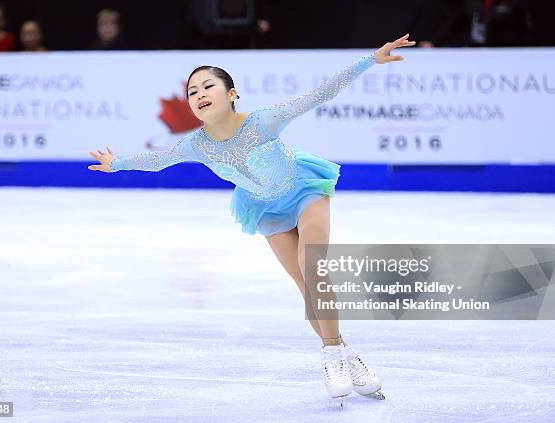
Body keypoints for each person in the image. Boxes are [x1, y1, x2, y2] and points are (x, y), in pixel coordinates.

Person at [89, 33, 416, 405]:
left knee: (315, 268)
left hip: (303, 189)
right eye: (192, 91)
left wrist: (371, 59)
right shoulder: (196, 145)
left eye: (207, 85)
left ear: (231, 93)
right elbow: (158, 160)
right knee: (305, 287)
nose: (199, 94)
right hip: (264, 208)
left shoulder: (263, 121)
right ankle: (346, 353)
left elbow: (320, 93)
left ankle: (330, 355)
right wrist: (118, 164)